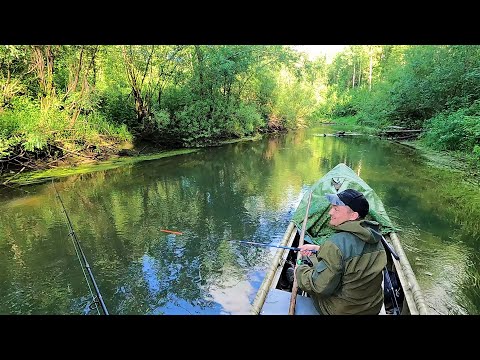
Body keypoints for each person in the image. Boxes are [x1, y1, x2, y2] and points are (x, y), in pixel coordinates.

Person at [293, 188, 387, 315]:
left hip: (344, 311)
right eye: (331, 207)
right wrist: (318, 249)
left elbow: (319, 287)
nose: (330, 212)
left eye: (336, 209)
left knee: (312, 276)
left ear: (353, 215)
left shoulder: (335, 243)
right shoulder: (375, 237)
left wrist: (299, 271)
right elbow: (354, 257)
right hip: (372, 307)